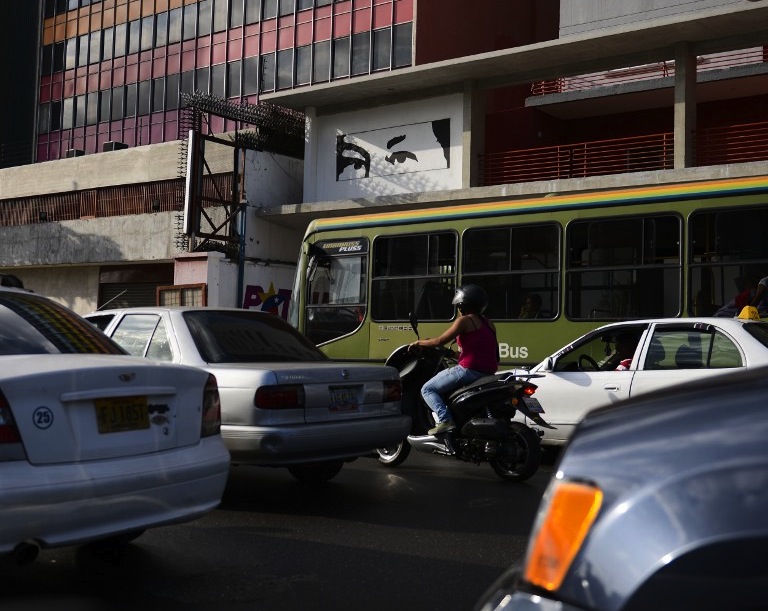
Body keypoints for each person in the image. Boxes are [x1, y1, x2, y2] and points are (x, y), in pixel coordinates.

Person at [410, 284, 498, 435]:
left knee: (427, 389)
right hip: (488, 372)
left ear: (463, 305)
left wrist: (419, 343)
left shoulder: (464, 321)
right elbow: (473, 352)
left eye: (458, 305)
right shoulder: (488, 323)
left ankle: (445, 420)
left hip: (469, 370)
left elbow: (439, 341)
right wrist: (450, 354)